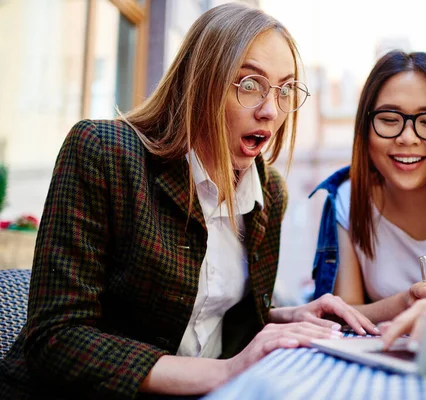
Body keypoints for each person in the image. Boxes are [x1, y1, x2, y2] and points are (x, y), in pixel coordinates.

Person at [0, 4, 377, 399]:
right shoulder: (104, 152)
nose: (271, 110)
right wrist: (225, 372)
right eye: (250, 84)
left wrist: (285, 316)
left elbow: (209, 315)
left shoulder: (269, 194)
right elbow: (57, 338)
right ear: (200, 81)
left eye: (285, 90)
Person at [311, 50, 426, 324]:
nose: (408, 138)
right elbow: (342, 314)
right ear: (365, 127)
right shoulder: (346, 199)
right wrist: (406, 301)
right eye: (389, 120)